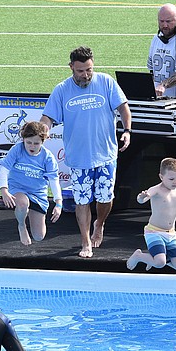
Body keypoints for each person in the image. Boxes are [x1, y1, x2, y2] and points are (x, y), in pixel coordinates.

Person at [40, 46, 132, 259]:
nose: (86, 75)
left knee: (105, 198)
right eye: (81, 71)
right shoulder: (61, 90)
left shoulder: (106, 82)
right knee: (82, 201)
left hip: (106, 155)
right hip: (79, 158)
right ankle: (85, 241)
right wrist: (39, 133)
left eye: (89, 70)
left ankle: (100, 223)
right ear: (71, 67)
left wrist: (127, 131)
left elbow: (123, 108)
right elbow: (48, 119)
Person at [0, 121, 63, 245]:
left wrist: (58, 203)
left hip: (37, 193)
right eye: (28, 142)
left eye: (36, 143)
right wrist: (4, 190)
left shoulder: (48, 157)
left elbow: (54, 180)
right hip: (18, 188)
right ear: (23, 140)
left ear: (43, 142)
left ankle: (30, 212)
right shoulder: (17, 149)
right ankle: (21, 225)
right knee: (22, 204)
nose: (32, 146)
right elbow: (4, 169)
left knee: (39, 236)